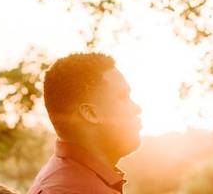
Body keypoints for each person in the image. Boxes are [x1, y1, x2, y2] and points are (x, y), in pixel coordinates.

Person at [28, 52, 142, 194]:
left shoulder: (62, 177)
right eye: (123, 97)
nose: (137, 109)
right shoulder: (72, 189)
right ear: (90, 113)